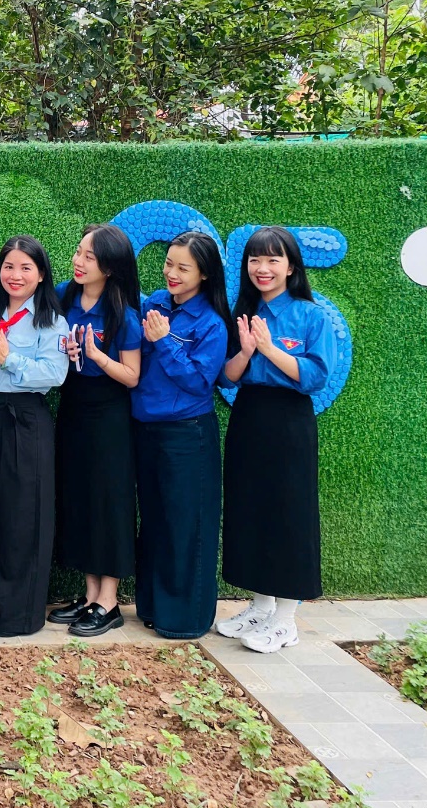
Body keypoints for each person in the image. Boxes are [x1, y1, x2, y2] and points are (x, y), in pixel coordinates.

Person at [216, 226, 336, 653]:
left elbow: (316, 377)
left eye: (272, 260)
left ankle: (286, 619)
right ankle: (260, 605)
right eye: (254, 260)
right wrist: (247, 351)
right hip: (250, 416)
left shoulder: (310, 314)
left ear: (291, 266)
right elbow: (226, 377)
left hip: (289, 423)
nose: (262, 269)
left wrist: (268, 349)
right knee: (251, 511)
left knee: (288, 515)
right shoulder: (243, 312)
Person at [132, 230, 232, 641]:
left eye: (182, 268)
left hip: (187, 435)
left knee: (186, 525)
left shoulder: (211, 323)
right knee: (155, 521)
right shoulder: (154, 304)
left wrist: (164, 341)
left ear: (205, 274)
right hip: (145, 429)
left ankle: (186, 617)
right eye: (169, 263)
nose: (171, 273)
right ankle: (153, 608)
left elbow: (198, 381)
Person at [0, 236, 69, 637]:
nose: (16, 275)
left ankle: (19, 615)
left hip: (25, 421)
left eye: (26, 268)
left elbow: (55, 374)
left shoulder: (51, 320)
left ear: (41, 274)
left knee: (22, 518)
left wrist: (6, 357)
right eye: (9, 266)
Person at [48, 225, 142, 638]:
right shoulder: (66, 295)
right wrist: (67, 353)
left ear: (110, 267)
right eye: (78, 252)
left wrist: (97, 355)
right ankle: (88, 596)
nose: (78, 261)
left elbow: (132, 376)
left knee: (108, 503)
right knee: (82, 499)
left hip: (109, 417)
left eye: (89, 256)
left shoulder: (123, 314)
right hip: (73, 409)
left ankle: (109, 601)